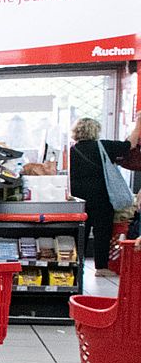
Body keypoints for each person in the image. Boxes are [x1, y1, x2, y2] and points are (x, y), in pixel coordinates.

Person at [67, 116, 141, 273]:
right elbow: (130, 145)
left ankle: (75, 266)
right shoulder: (103, 146)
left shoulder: (71, 150)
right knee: (102, 232)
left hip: (78, 200)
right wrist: (138, 125)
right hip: (102, 197)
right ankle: (101, 267)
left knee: (80, 232)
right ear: (96, 131)